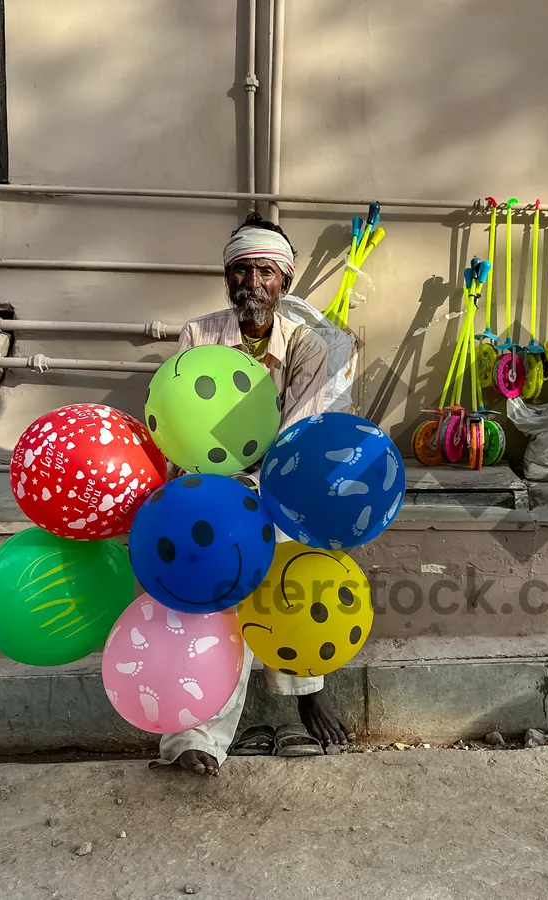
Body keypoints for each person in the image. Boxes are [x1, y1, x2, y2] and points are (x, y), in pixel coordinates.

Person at [155, 212, 351, 776]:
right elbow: (181, 422)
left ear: (284, 281)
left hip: (282, 481)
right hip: (210, 482)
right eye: (240, 271)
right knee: (205, 596)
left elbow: (300, 430)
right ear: (227, 279)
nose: (252, 283)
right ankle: (195, 737)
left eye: (264, 271)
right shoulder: (199, 334)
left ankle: (307, 691)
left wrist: (261, 487)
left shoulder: (308, 347)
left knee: (295, 570)